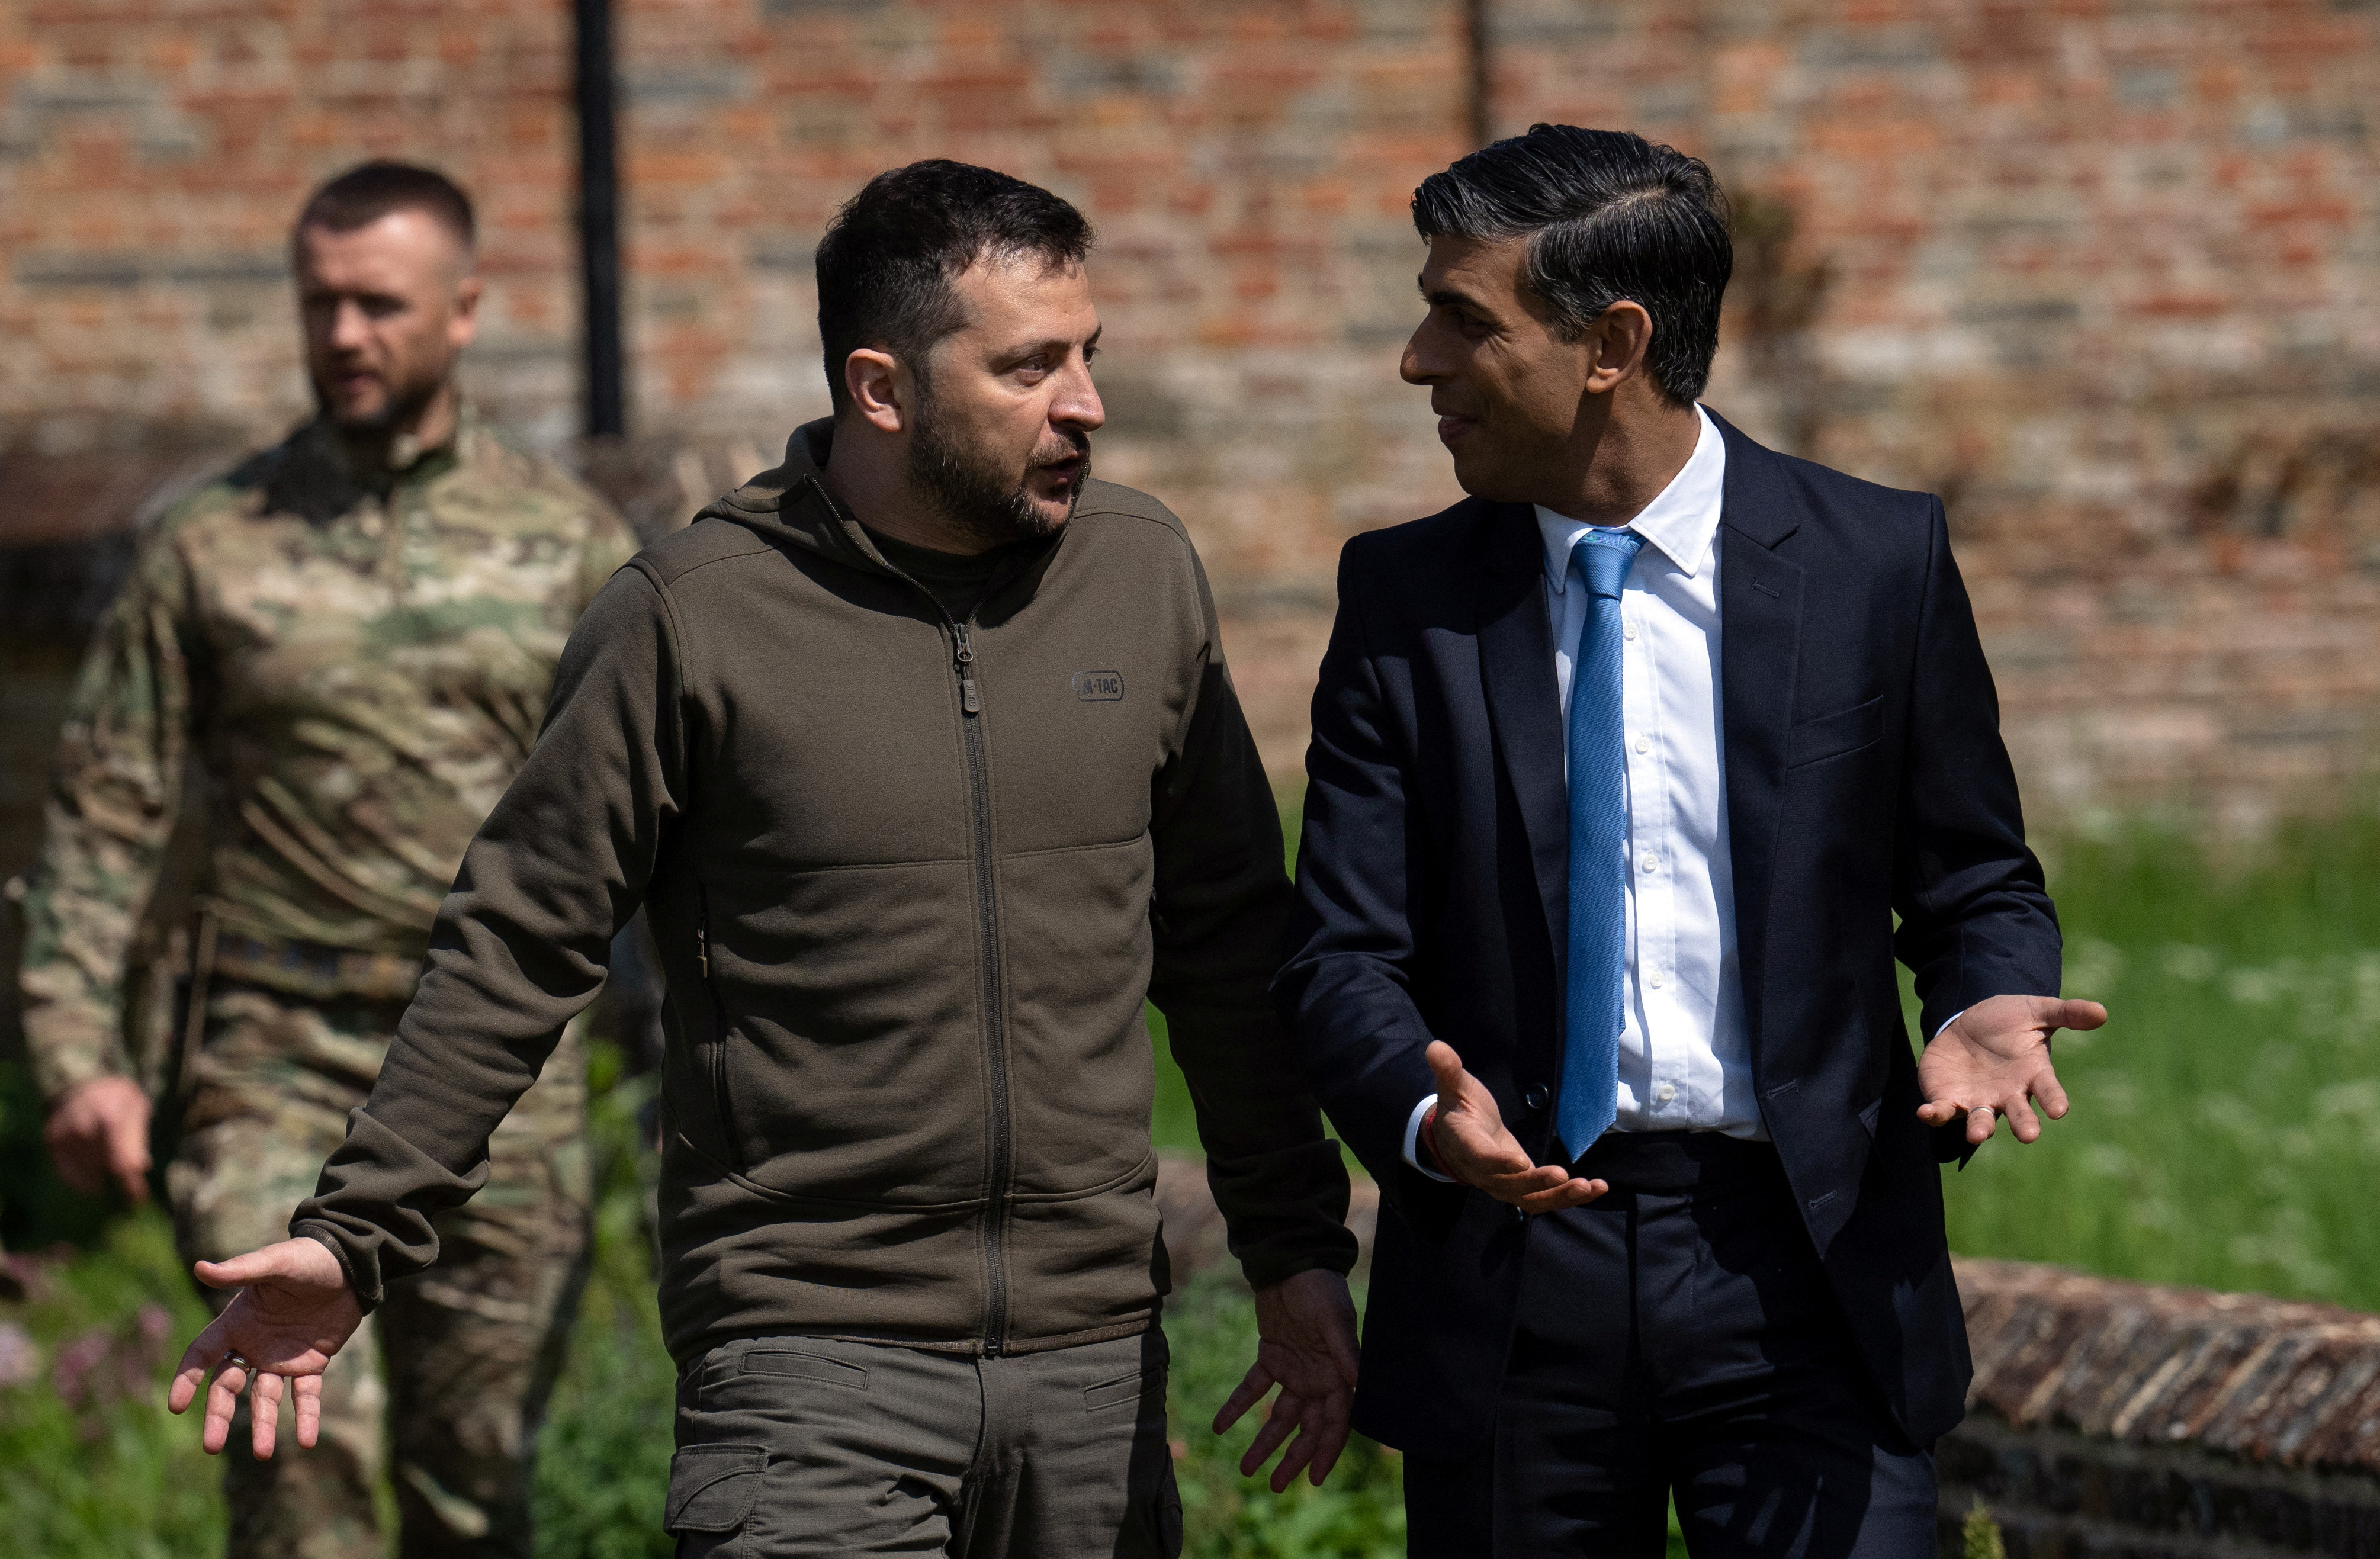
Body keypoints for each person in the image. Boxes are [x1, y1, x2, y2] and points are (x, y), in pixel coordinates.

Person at [165, 159, 1363, 1558]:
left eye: (1087, 354)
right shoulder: (690, 617)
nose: (1085, 402)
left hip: (1093, 1368)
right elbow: (517, 941)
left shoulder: (1141, 573)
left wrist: (1293, 1248)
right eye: (1029, 366)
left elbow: (1228, 943)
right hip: (808, 1374)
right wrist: (357, 1230)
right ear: (881, 388)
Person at [1273, 124, 2109, 1557]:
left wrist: (1982, 995)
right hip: (1514, 1277)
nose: (1419, 361)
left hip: (1811, 1268)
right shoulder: (1403, 598)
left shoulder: (1875, 560)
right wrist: (1422, 1113)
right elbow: (1340, 952)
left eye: (1464, 320)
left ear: (1613, 343)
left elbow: (1974, 876)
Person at [16, 161, 638, 1557]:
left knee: (475, 1484)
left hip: (502, 1073)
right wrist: (78, 1050)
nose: (345, 333)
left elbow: (644, 814)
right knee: (297, 1460)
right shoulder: (210, 546)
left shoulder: (572, 547)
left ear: (464, 310)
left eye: (380, 303)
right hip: (274, 1055)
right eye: (320, 303)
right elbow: (107, 807)